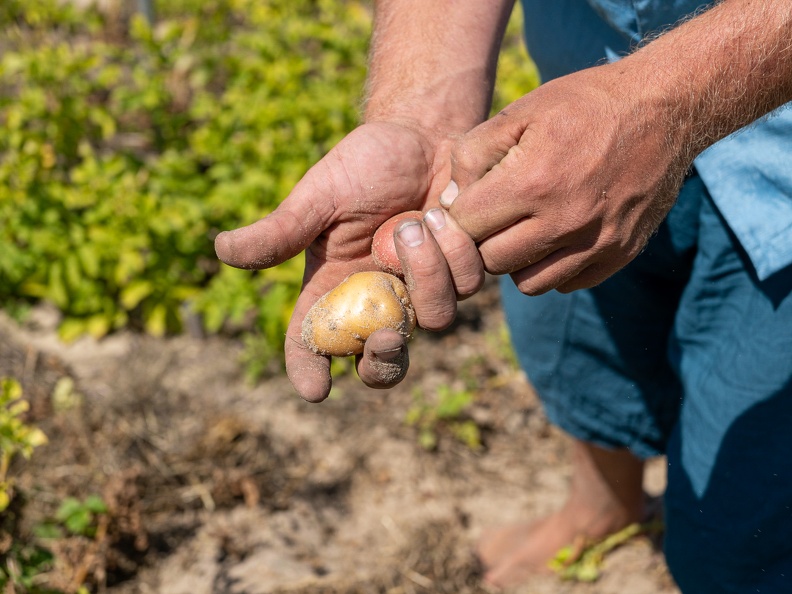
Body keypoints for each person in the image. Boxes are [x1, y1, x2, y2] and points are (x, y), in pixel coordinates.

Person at [215, 1, 792, 591]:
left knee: (739, 544)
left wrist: (662, 104)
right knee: (569, 340)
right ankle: (603, 505)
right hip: (578, 110)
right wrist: (422, 118)